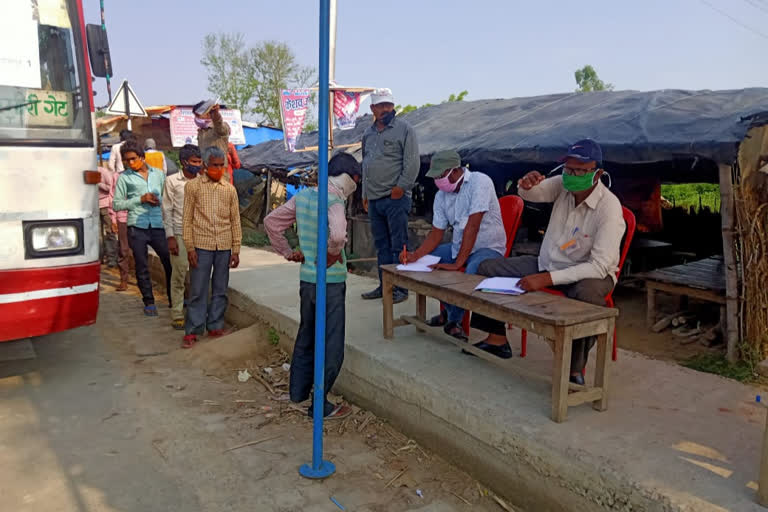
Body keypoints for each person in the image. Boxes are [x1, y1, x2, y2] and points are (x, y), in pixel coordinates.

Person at [469, 140, 625, 384]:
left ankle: (574, 369)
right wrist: (526, 184)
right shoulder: (563, 185)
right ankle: (497, 338)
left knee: (589, 297)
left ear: (598, 174)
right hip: (549, 263)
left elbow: (599, 266)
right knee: (486, 267)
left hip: (589, 274)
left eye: (580, 170)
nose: (572, 175)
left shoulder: (609, 208)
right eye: (568, 169)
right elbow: (534, 193)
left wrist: (545, 279)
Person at [264, 152, 360, 419]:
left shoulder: (304, 196)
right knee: (330, 344)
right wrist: (332, 253)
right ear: (350, 178)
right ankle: (320, 402)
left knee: (307, 336)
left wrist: (287, 251)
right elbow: (339, 235)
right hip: (330, 282)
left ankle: (298, 391)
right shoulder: (334, 199)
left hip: (307, 280)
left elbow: (271, 223)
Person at [400, 150, 507, 340]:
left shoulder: (480, 182)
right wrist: (415, 256)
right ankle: (450, 313)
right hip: (459, 247)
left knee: (471, 271)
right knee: (424, 264)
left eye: (441, 175)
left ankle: (454, 319)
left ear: (456, 171)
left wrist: (458, 262)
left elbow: (472, 226)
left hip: (488, 248)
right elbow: (436, 233)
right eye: (435, 177)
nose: (438, 181)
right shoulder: (441, 196)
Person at [360, 88, 420, 304]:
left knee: (399, 244)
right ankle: (384, 285)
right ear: (372, 109)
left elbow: (412, 162)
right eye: (381, 105)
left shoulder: (405, 129)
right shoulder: (367, 134)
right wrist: (365, 194)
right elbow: (366, 165)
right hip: (375, 199)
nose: (386, 109)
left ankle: (401, 289)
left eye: (389, 105)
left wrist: (401, 187)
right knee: (381, 244)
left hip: (395, 197)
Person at [181, 147, 242, 348]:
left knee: (220, 288)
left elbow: (235, 221)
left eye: (221, 165)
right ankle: (193, 330)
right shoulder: (193, 187)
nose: (218, 169)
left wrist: (236, 249)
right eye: (214, 165)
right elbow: (187, 219)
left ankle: (215, 325)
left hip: (224, 245)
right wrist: (189, 247)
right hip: (201, 244)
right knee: (198, 289)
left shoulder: (229, 189)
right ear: (205, 166)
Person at [113, 140, 173, 316]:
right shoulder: (125, 177)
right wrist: (140, 199)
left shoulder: (159, 174)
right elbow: (117, 204)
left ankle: (173, 298)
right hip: (136, 226)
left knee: (169, 262)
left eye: (133, 159)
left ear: (142, 157)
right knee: (142, 265)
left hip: (157, 224)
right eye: (127, 161)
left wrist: (156, 200)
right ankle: (149, 301)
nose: (130, 163)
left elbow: (166, 197)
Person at [162, 144, 201, 330]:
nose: (198, 165)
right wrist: (170, 236)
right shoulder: (172, 181)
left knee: (198, 276)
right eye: (194, 161)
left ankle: (196, 312)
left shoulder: (203, 181)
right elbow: (167, 209)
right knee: (178, 275)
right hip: (179, 233)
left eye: (199, 161)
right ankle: (177, 313)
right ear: (184, 162)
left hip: (200, 235)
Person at [194, 102, 230, 178]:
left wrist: (215, 114)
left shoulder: (218, 128)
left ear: (207, 114)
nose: (196, 118)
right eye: (195, 115)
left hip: (219, 173)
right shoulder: (201, 132)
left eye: (198, 115)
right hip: (205, 173)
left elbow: (218, 123)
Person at [98, 165, 118, 267]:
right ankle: (99, 258)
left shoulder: (103, 171)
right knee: (96, 235)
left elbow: (111, 188)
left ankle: (112, 259)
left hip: (105, 206)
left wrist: (98, 182)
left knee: (110, 232)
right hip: (93, 207)